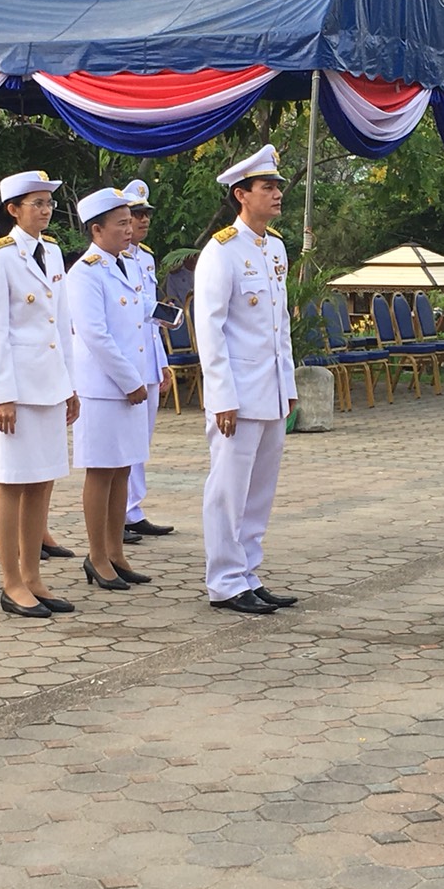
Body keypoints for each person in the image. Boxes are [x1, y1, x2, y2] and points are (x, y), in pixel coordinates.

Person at [194, 144, 299, 615]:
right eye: (267, 187)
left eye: (278, 186)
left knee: (259, 493)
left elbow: (280, 326)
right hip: (237, 392)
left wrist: (288, 385)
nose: (277, 194)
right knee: (228, 491)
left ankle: (248, 573)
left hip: (270, 390)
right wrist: (221, 396)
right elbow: (210, 328)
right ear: (242, 194)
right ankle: (224, 581)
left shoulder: (274, 247)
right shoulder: (222, 251)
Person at [0, 170, 79, 620]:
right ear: (13, 209)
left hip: (50, 384)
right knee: (12, 482)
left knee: (42, 481)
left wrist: (70, 385)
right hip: (17, 389)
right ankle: (11, 581)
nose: (46, 210)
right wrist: (0, 395)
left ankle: (33, 576)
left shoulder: (52, 251)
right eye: (36, 203)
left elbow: (62, 325)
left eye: (48, 202)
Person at [69, 187, 154, 592]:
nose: (129, 229)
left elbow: (139, 317)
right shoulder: (85, 272)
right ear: (97, 229)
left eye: (129, 221)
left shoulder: (129, 265)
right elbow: (95, 335)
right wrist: (130, 381)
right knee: (101, 471)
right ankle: (97, 555)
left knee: (123, 469)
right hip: (103, 388)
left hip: (130, 384)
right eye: (120, 223)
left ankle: (116, 552)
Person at [120, 178, 175, 540]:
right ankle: (119, 512)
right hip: (126, 361)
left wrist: (162, 362)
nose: (142, 220)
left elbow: (151, 318)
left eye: (145, 214)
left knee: (142, 440)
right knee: (124, 441)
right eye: (136, 214)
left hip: (149, 357)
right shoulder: (113, 259)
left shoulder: (146, 257)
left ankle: (133, 508)